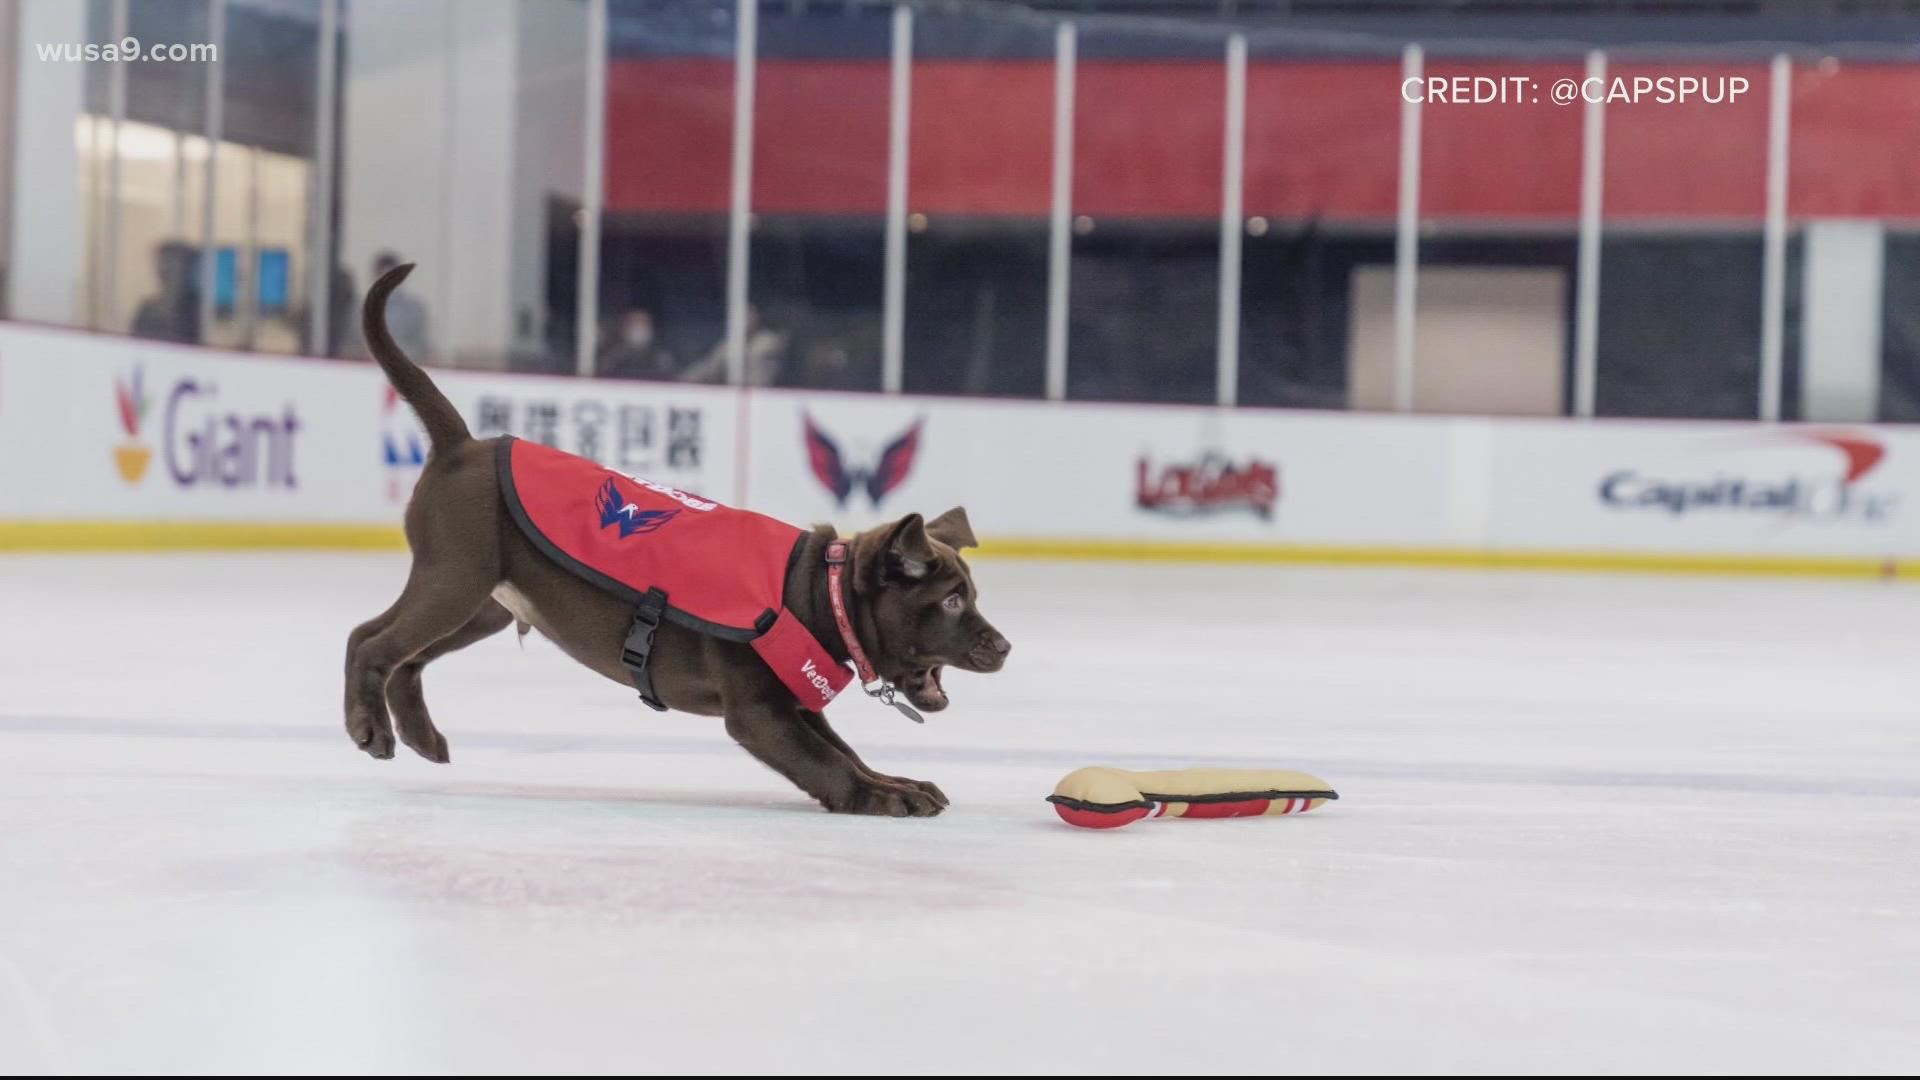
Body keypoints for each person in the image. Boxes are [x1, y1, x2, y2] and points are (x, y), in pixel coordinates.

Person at [679, 305, 788, 386]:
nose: (744, 321)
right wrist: (683, 380)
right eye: (740, 318)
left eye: (748, 317)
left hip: (765, 397)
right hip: (734, 395)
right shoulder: (729, 345)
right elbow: (709, 367)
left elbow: (764, 374)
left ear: (756, 319)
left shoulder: (768, 341)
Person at [130, 241, 201, 343]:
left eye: (173, 263)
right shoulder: (147, 308)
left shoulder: (196, 310)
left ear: (186, 269)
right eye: (163, 263)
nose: (164, 269)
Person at [366, 251, 432, 360]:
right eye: (382, 277)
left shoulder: (415, 310)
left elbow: (421, 346)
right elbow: (353, 344)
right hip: (367, 367)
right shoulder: (361, 309)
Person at [596, 308, 678, 380]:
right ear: (623, 328)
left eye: (643, 323)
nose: (638, 328)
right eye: (633, 324)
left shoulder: (662, 358)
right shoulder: (612, 356)